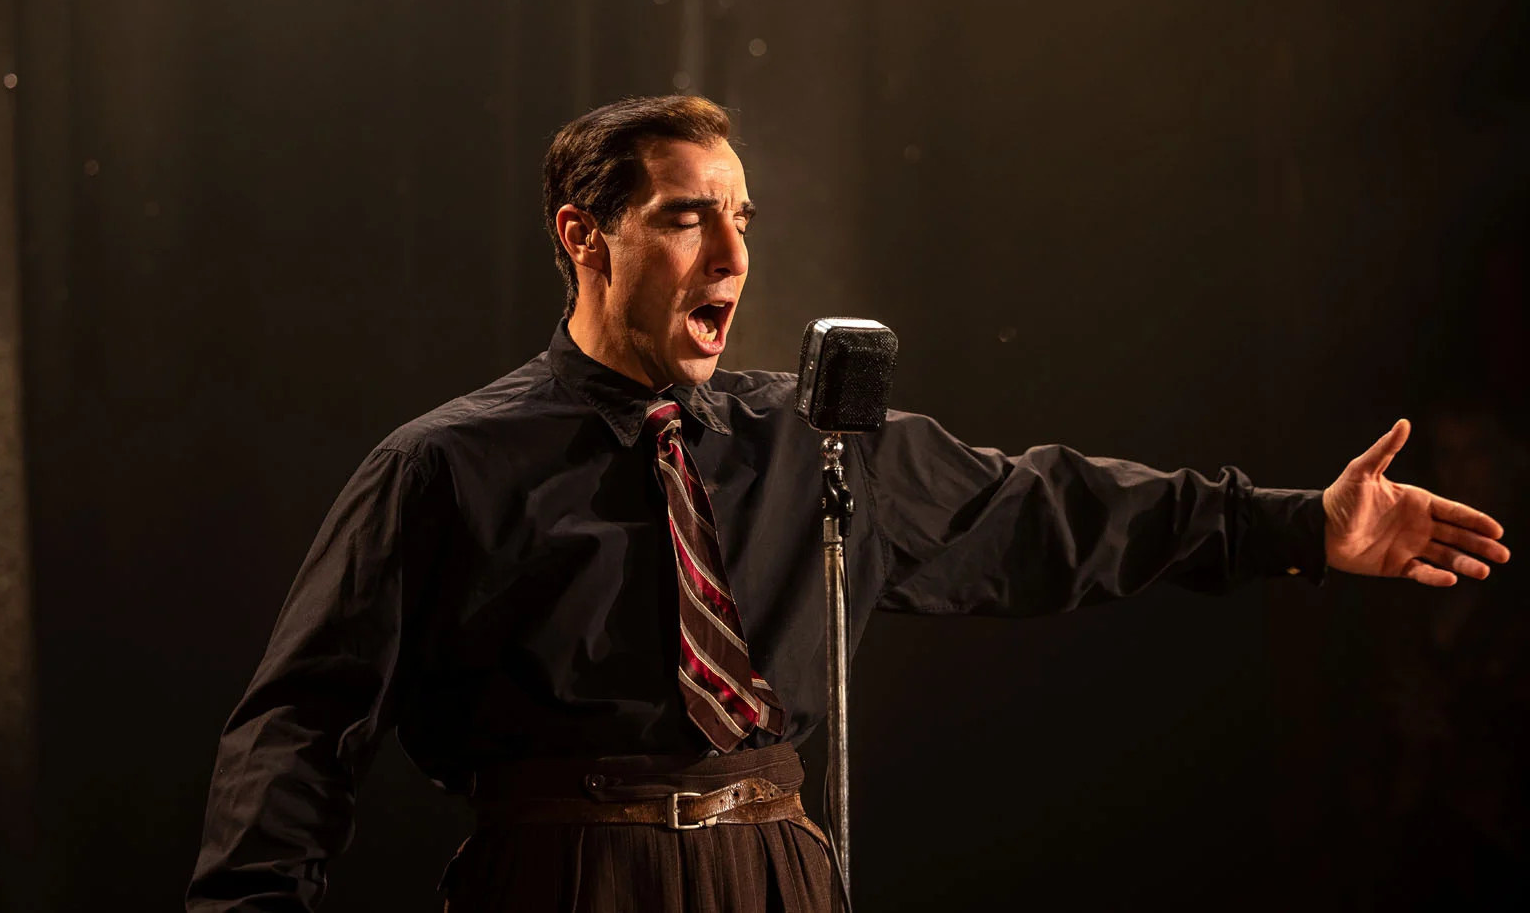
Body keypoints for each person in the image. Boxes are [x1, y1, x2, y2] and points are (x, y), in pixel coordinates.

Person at [187, 95, 1510, 912]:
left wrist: (1301, 525)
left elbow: (1047, 512)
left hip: (777, 871)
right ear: (584, 237)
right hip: (569, 878)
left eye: (744, 219)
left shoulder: (814, 441)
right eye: (688, 219)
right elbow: (299, 727)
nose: (734, 253)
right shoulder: (446, 465)